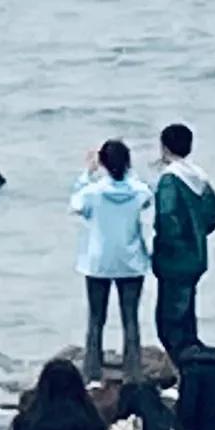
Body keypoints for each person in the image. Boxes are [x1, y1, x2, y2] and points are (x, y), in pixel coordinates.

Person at [71, 140, 151, 382]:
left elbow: (76, 204)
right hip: (131, 261)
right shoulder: (139, 191)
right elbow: (146, 199)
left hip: (98, 262)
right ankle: (133, 374)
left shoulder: (93, 192)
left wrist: (87, 172)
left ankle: (92, 375)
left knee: (96, 319)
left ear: (103, 163)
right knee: (130, 319)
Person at [148, 124, 215, 355]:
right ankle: (193, 361)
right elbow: (214, 213)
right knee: (186, 315)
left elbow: (166, 216)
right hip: (196, 255)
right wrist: (197, 233)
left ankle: (183, 367)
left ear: (164, 147)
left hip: (174, 260)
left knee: (170, 322)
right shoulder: (199, 177)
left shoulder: (170, 179)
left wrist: (164, 246)